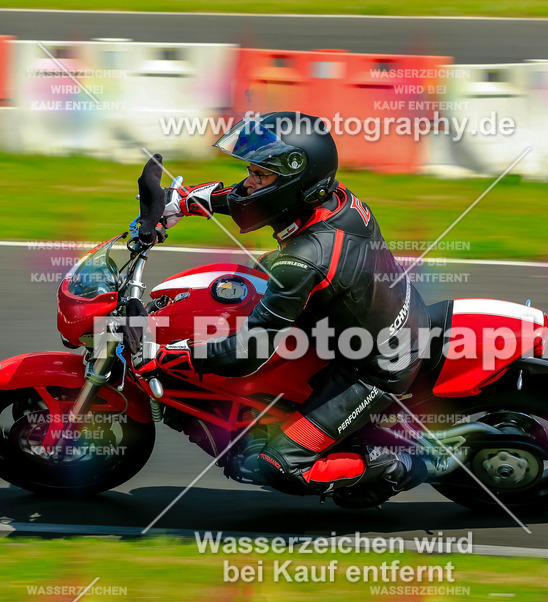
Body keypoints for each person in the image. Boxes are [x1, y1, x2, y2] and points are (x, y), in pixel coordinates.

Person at [136, 111, 429, 507]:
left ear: (295, 179)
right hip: (367, 320)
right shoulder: (330, 199)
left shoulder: (306, 258)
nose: (249, 181)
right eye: (252, 170)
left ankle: (405, 464)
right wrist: (181, 201)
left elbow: (248, 351)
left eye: (261, 173)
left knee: (277, 465)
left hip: (374, 366)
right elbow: (256, 200)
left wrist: (170, 356)